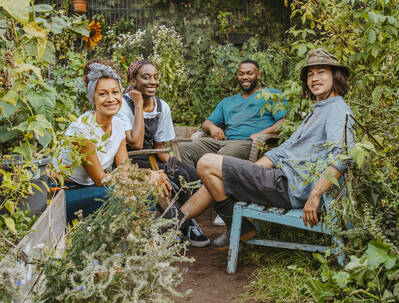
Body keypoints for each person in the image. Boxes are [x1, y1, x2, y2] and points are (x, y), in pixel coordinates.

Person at [175, 48, 355, 250]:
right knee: (213, 176)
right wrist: (253, 172)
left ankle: (174, 225)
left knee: (207, 163)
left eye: (321, 72)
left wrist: (314, 195)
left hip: (291, 188)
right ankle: (174, 226)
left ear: (335, 76)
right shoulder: (319, 109)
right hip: (280, 178)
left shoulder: (337, 110)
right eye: (310, 74)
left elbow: (341, 157)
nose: (314, 79)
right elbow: (283, 150)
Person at [53, 59, 167, 225]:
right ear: (93, 97)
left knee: (146, 191)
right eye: (103, 94)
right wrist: (144, 177)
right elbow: (101, 180)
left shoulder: (118, 124)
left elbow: (124, 168)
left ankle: (147, 240)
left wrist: (145, 176)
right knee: (120, 193)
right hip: (64, 193)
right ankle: (125, 245)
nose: (111, 98)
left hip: (90, 188)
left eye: (115, 92)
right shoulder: (82, 130)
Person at [115, 59, 209, 247]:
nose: (153, 82)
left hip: (152, 157)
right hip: (128, 159)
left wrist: (176, 164)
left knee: (187, 175)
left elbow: (159, 146)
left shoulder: (162, 106)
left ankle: (183, 221)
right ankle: (183, 225)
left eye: (156, 77)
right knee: (168, 179)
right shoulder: (123, 106)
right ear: (133, 80)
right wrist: (139, 105)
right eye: (146, 77)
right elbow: (136, 142)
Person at [177, 59, 288, 167]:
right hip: (224, 142)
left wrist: (260, 135)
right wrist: (212, 127)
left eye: (249, 73)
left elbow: (283, 123)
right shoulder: (227, 102)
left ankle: (212, 184)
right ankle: (193, 184)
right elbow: (206, 123)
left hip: (249, 143)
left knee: (224, 155)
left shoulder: (272, 95)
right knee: (184, 148)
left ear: (258, 75)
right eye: (241, 74)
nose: (245, 77)